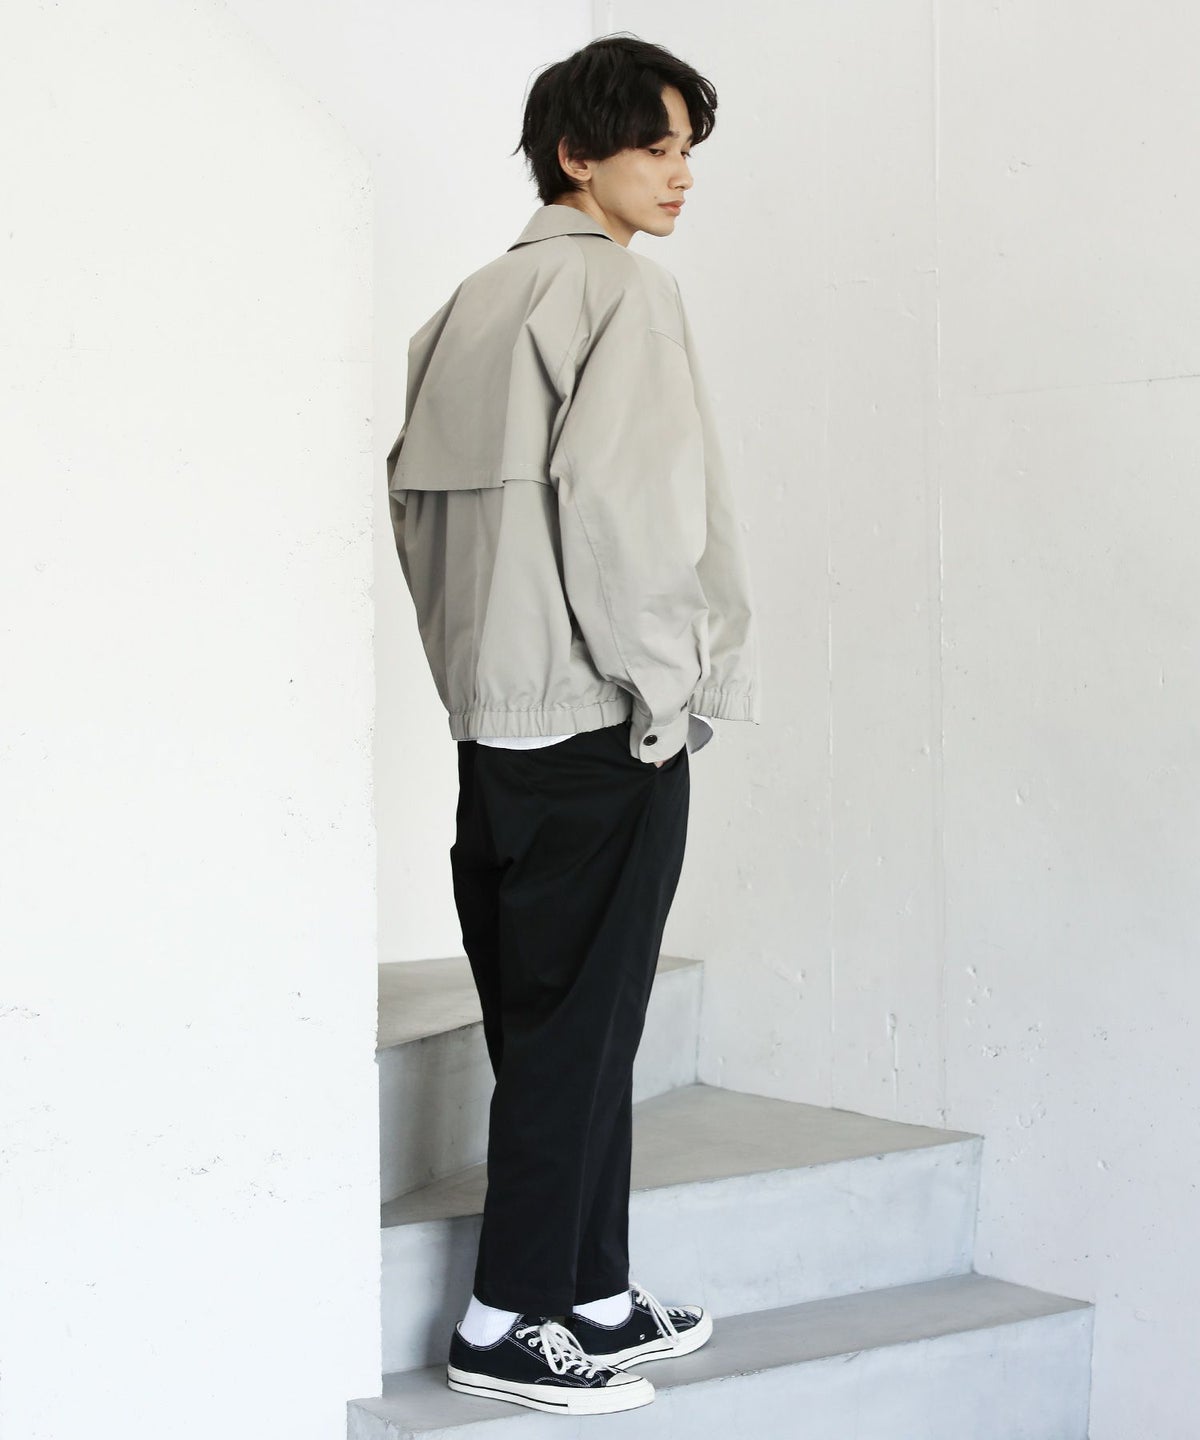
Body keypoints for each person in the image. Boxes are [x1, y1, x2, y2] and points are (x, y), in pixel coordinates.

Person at [386, 33, 761, 1416]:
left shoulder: (465, 309)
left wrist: (479, 683)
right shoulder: (621, 296)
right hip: (604, 720)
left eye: (686, 151)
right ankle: (505, 1319)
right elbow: (632, 519)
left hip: (500, 728)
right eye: (655, 147)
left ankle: (593, 1292)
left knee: (557, 1021)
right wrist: (664, 695)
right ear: (576, 155)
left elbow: (417, 520)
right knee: (577, 1033)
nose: (679, 176)